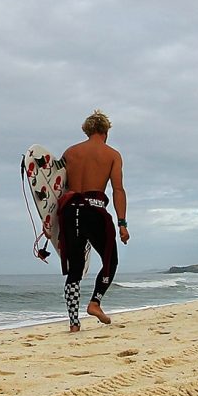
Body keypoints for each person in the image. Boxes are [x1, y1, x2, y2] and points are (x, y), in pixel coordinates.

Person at [58, 109, 130, 332]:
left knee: (75, 268)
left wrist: (50, 221)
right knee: (110, 260)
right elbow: (118, 190)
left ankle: (73, 323)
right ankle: (95, 302)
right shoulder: (112, 155)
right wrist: (122, 223)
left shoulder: (70, 152)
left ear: (87, 130)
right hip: (95, 210)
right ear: (106, 130)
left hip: (69, 211)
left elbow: (56, 187)